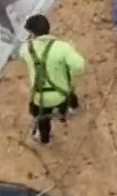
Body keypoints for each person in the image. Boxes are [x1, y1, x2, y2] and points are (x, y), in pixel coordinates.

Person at [18, 14, 86, 145]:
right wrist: (67, 73)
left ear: (32, 33)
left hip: (40, 98)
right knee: (69, 89)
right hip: (61, 94)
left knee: (42, 119)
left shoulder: (26, 48)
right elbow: (80, 65)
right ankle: (71, 109)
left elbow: (20, 54)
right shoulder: (63, 47)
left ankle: (44, 139)